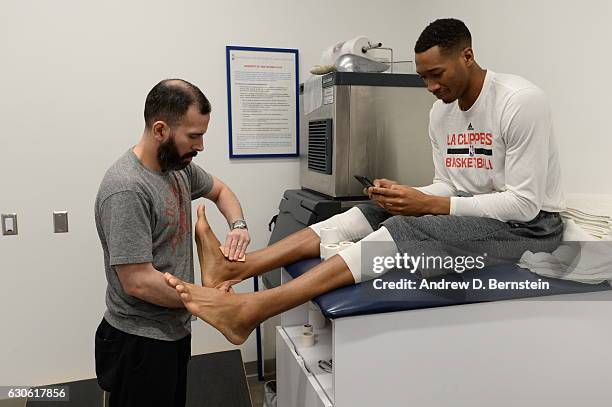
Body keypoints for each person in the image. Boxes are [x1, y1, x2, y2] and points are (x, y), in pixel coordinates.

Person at [163, 18, 565, 346]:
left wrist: (430, 206)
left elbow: (524, 205)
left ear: (468, 55)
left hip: (528, 230)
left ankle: (252, 309)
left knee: (404, 226)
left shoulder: (519, 101)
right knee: (368, 210)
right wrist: (406, 194)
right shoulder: (441, 115)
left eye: (437, 75)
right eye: (424, 78)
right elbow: (447, 185)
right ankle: (236, 269)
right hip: (474, 215)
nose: (430, 87)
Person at [93, 79, 251, 407]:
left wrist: (238, 226)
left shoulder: (178, 169)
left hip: (174, 330)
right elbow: (138, 282)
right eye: (194, 136)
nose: (201, 146)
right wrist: (209, 301)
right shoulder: (127, 189)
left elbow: (221, 191)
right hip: (139, 341)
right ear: (161, 130)